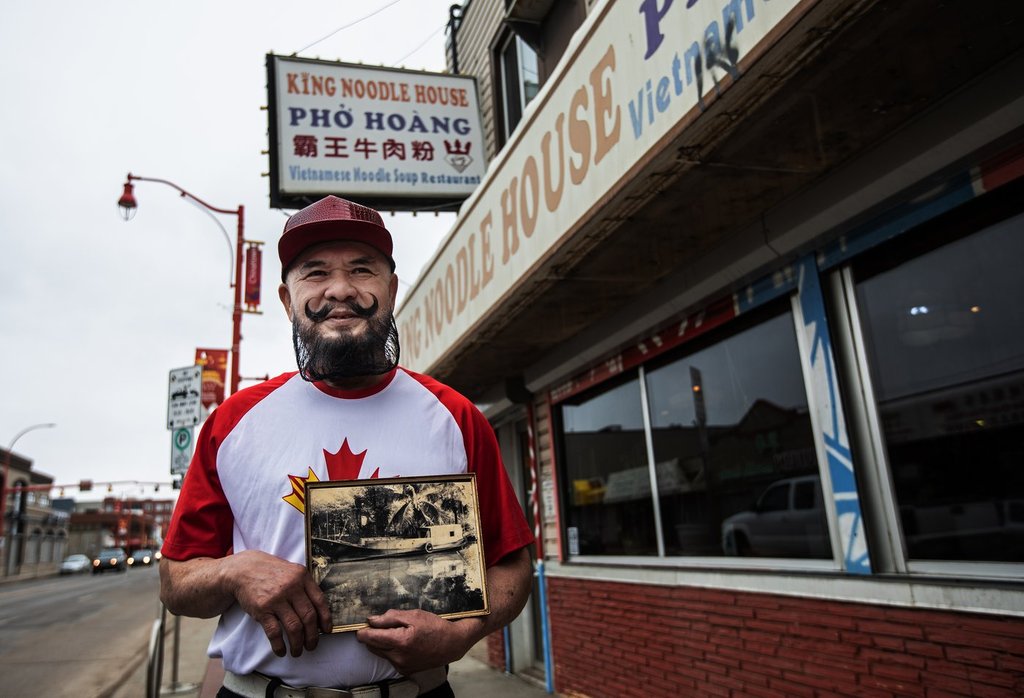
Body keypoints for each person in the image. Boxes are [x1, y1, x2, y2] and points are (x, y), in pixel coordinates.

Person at [159, 195, 534, 698]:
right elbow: (175, 583)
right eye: (315, 273)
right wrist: (236, 571)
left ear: (391, 289)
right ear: (287, 299)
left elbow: (512, 563)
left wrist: (461, 634)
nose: (340, 289)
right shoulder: (233, 423)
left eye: (362, 269)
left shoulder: (456, 416)